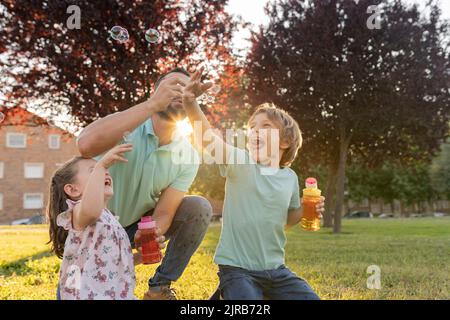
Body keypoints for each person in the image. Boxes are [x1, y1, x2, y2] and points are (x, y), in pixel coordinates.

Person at [182, 68, 325, 300]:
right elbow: (208, 140)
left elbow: (285, 220)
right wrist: (190, 103)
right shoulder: (241, 162)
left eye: (266, 126)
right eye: (253, 128)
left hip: (276, 270)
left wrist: (304, 210)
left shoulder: (289, 178)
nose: (256, 131)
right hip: (237, 270)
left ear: (286, 142)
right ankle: (226, 293)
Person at [76, 68, 213, 300]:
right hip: (92, 228)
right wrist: (152, 105)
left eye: (187, 87)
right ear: (155, 92)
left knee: (199, 208)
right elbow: (85, 145)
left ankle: (159, 288)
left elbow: (165, 211)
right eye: (174, 85)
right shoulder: (127, 125)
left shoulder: (188, 155)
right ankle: (108, 264)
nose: (181, 91)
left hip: (133, 228)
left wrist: (151, 233)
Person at [47, 145, 164, 300]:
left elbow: (110, 262)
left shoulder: (110, 219)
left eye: (101, 169)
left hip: (112, 293)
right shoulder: (79, 212)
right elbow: (91, 209)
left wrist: (139, 257)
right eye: (93, 171)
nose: (105, 171)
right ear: (73, 190)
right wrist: (101, 165)